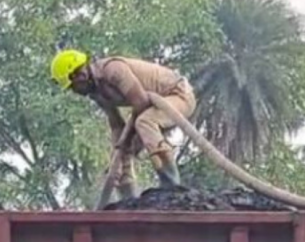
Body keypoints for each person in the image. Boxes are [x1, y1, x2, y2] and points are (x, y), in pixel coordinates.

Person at [50, 48, 196, 199]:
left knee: (144, 121)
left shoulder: (113, 70)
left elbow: (140, 102)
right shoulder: (96, 93)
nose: (73, 91)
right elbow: (117, 125)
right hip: (154, 107)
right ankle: (127, 196)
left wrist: (133, 140)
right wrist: (118, 154)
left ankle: (170, 181)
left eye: (72, 86)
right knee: (121, 145)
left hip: (179, 96)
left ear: (80, 74)